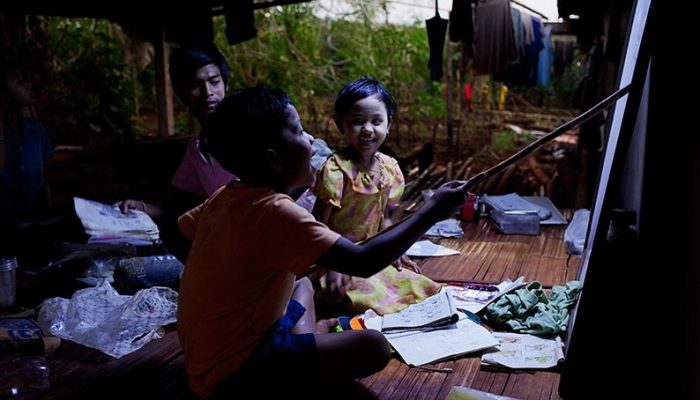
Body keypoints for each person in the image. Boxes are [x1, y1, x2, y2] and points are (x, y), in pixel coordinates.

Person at [177, 86, 468, 397]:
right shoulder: (276, 211)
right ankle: (294, 367)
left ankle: (307, 340)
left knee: (301, 284)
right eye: (301, 132)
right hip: (236, 371)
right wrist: (431, 211)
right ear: (274, 160)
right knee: (374, 347)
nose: (311, 140)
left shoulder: (227, 195)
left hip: (206, 354)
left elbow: (182, 229)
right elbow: (363, 261)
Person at [311, 77, 442, 315]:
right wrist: (333, 265)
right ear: (341, 124)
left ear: (388, 124)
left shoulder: (390, 167)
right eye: (357, 121)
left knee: (423, 288)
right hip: (336, 262)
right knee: (370, 299)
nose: (368, 129)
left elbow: (388, 218)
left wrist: (396, 250)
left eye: (376, 121)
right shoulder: (335, 170)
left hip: (373, 256)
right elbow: (316, 228)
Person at [116, 44, 235, 218]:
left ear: (226, 85)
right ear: (182, 94)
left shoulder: (251, 132)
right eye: (196, 85)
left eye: (214, 82)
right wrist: (140, 207)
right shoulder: (197, 148)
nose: (208, 92)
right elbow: (177, 209)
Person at [0, 59, 55, 254]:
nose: (28, 85)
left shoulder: (35, 130)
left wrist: (48, 212)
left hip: (35, 223)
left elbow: (44, 177)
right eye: (19, 82)